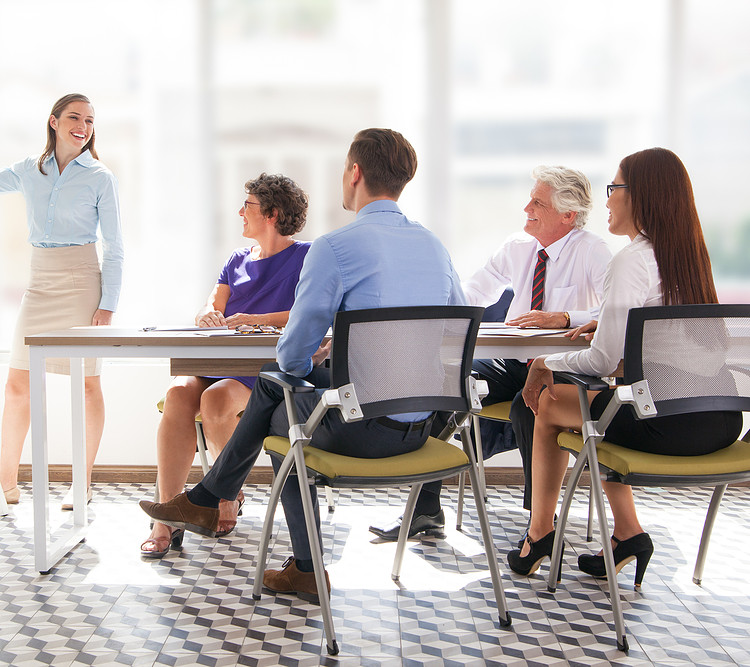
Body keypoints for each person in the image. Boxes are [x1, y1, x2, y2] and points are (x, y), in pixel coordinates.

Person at [139, 128, 464, 601]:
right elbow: (453, 333)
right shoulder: (434, 247)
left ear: (355, 172)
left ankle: (242, 521)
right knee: (278, 394)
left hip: (360, 430)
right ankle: (214, 504)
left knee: (281, 401)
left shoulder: (335, 247)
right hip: (424, 429)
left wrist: (322, 349)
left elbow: (292, 356)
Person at [507, 147, 742, 585]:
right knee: (602, 410)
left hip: (666, 424)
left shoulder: (632, 259)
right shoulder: (689, 255)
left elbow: (601, 359)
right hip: (721, 421)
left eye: (615, 188)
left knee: (548, 401)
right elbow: (667, 341)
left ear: (641, 196)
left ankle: (539, 535)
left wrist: (543, 361)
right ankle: (627, 534)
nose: (608, 199)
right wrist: (615, 325)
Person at [370, 166, 611, 541]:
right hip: (514, 364)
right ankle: (425, 510)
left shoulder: (594, 251)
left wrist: (565, 317)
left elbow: (616, 313)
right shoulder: (518, 246)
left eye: (538, 202)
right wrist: (427, 309)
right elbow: (472, 295)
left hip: (564, 368)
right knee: (445, 383)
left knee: (531, 405)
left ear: (568, 215)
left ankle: (540, 528)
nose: (526, 206)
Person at [140, 173, 310, 558]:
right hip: (215, 358)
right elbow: (211, 303)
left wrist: (257, 318)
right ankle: (166, 516)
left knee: (216, 400)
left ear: (271, 213)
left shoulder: (305, 256)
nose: (239, 212)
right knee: (179, 394)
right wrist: (207, 316)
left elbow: (309, 311)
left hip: (259, 368)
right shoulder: (236, 259)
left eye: (247, 205)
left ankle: (224, 492)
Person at [0, 93, 124, 509]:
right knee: (17, 384)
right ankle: (6, 486)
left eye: (90, 120)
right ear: (53, 121)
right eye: (75, 117)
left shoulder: (100, 177)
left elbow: (116, 247)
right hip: (39, 282)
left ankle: (82, 484)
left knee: (87, 385)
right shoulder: (29, 170)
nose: (83, 126)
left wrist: (108, 303)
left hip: (81, 282)